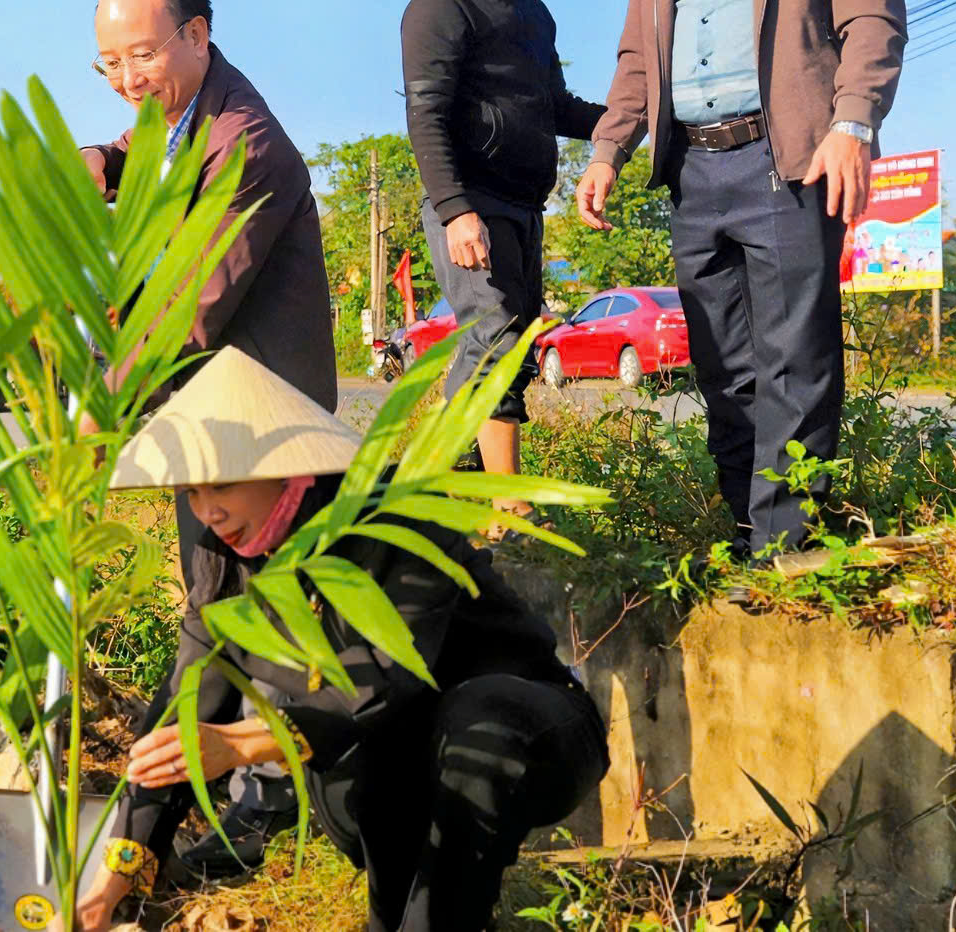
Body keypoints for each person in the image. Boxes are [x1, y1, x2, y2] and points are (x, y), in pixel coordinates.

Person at [75, 347, 607, 932]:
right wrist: (111, 883)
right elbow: (184, 711)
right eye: (191, 494)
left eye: (221, 485)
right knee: (366, 770)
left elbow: (384, 681)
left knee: (473, 719)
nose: (209, 512)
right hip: (390, 761)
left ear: (286, 464)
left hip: (523, 734)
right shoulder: (223, 561)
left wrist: (245, 742)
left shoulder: (391, 518)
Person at [575, 0, 905, 562]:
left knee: (794, 358)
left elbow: (871, 18)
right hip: (694, 168)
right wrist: (609, 149)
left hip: (786, 158)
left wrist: (852, 124)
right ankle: (747, 533)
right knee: (723, 364)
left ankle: (788, 554)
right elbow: (638, 51)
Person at [79, 0, 337, 877]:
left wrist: (103, 401)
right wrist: (103, 161)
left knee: (249, 609)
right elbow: (142, 149)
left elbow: (191, 303)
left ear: (197, 33)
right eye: (109, 63)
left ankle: (240, 813)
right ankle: (200, 813)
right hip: (208, 416)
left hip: (261, 427)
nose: (127, 79)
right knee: (220, 605)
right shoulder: (178, 115)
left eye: (141, 55)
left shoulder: (246, 144)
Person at [400, 0, 605, 512]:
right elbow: (426, 114)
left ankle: (440, 478)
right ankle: (508, 504)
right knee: (492, 338)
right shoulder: (439, 4)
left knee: (509, 341)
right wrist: (455, 210)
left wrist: (629, 121)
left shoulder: (533, 11)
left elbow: (555, 105)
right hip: (469, 203)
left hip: (524, 203)